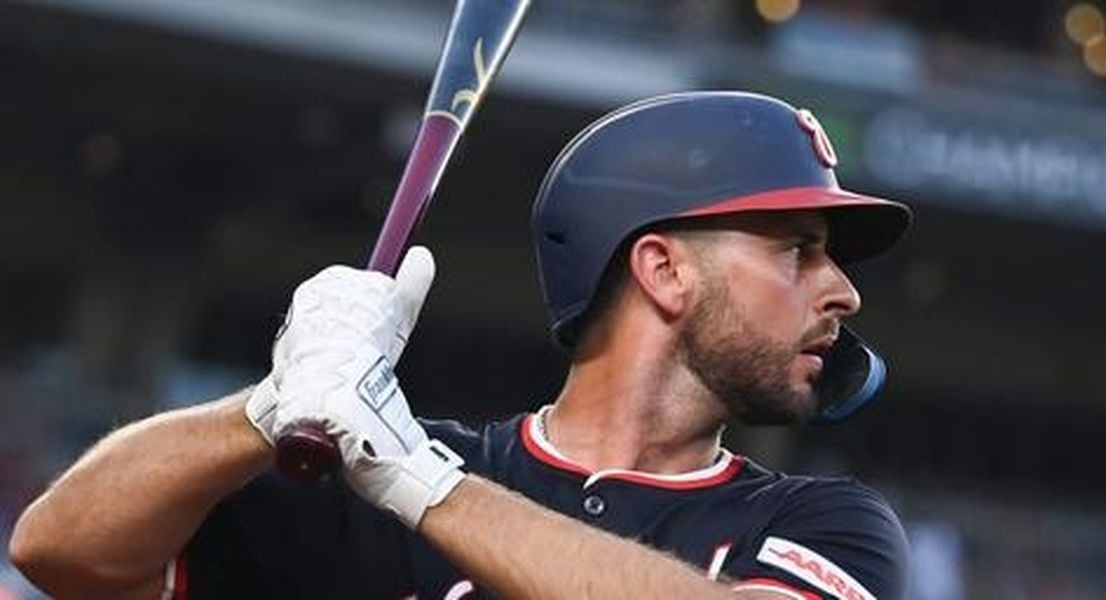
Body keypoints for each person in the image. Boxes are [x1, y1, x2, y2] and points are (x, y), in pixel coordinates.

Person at [9, 91, 912, 599]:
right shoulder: (366, 478)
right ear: (664, 271)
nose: (843, 290)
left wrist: (424, 487)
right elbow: (59, 550)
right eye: (799, 250)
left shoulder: (825, 524)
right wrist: (270, 405)